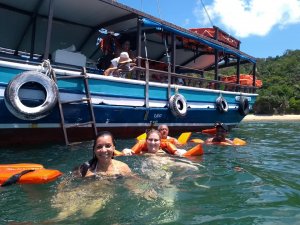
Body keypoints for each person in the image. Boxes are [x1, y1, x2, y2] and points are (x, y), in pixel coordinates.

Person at [122, 129, 186, 156]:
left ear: (160, 142)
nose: (153, 142)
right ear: (146, 141)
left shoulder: (166, 152)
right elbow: (129, 152)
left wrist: (181, 152)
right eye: (150, 140)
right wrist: (125, 151)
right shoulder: (140, 153)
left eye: (156, 140)